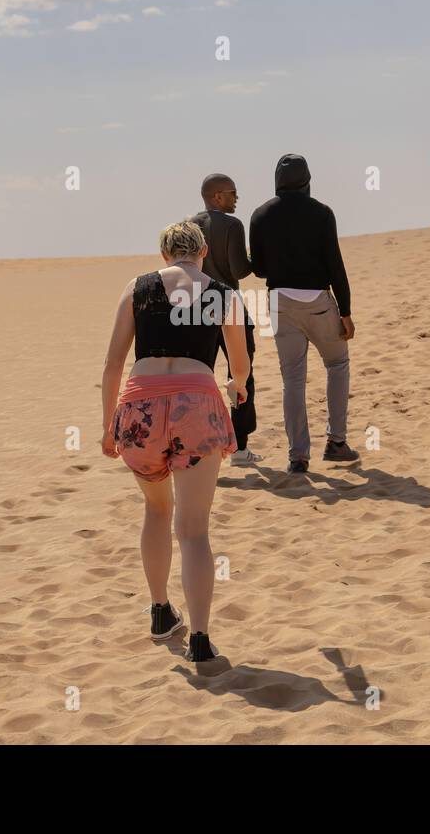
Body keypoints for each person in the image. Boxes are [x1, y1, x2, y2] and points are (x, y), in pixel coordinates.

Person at [101, 220, 249, 663]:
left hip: (139, 409)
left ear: (164, 254)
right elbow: (239, 364)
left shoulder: (137, 288)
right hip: (196, 406)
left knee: (156, 509)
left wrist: (106, 424)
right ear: (203, 251)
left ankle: (161, 610)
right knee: (194, 530)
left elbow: (113, 364)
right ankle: (200, 639)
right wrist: (236, 385)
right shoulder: (224, 293)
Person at [249, 154, 359, 474]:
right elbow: (334, 265)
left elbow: (258, 269)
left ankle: (298, 456)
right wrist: (347, 310)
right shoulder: (322, 213)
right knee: (337, 364)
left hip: (279, 301)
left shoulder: (260, 215)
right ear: (307, 180)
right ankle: (336, 443)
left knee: (292, 378)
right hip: (319, 301)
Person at [191, 173, 261, 466]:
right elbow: (239, 269)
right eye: (233, 193)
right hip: (229, 304)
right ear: (217, 196)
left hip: (195, 306)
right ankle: (240, 447)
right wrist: (256, 258)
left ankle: (194, 442)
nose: (237, 198)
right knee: (241, 374)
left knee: (197, 373)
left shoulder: (189, 224)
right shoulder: (233, 224)